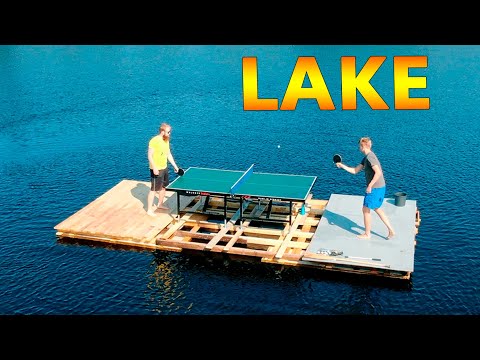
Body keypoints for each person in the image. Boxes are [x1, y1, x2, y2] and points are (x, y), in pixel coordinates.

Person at [336, 137, 395, 239]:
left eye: (359, 146)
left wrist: (370, 186)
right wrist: (342, 165)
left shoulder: (370, 158)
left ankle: (367, 234)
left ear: (363, 146)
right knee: (377, 208)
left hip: (375, 188)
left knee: (365, 209)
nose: (359, 148)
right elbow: (355, 170)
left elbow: (378, 172)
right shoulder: (367, 157)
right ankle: (391, 230)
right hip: (380, 187)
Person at [146, 122, 180, 216]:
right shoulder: (154, 141)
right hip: (156, 169)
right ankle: (149, 210)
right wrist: (154, 168)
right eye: (168, 132)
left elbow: (168, 154)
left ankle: (160, 204)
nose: (169, 134)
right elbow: (149, 156)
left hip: (164, 167)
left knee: (163, 187)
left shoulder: (166, 140)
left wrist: (175, 166)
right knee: (153, 189)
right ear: (162, 131)